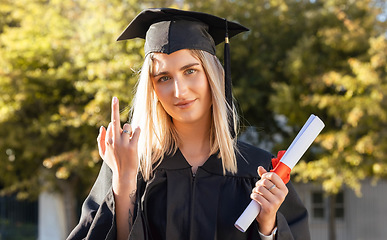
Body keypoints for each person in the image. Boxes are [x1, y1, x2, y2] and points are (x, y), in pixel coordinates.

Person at [67, 8, 310, 240]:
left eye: (190, 71)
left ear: (213, 75)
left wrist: (268, 227)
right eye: (163, 78)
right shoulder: (128, 163)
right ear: (152, 90)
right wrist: (124, 182)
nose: (179, 90)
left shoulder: (259, 171)